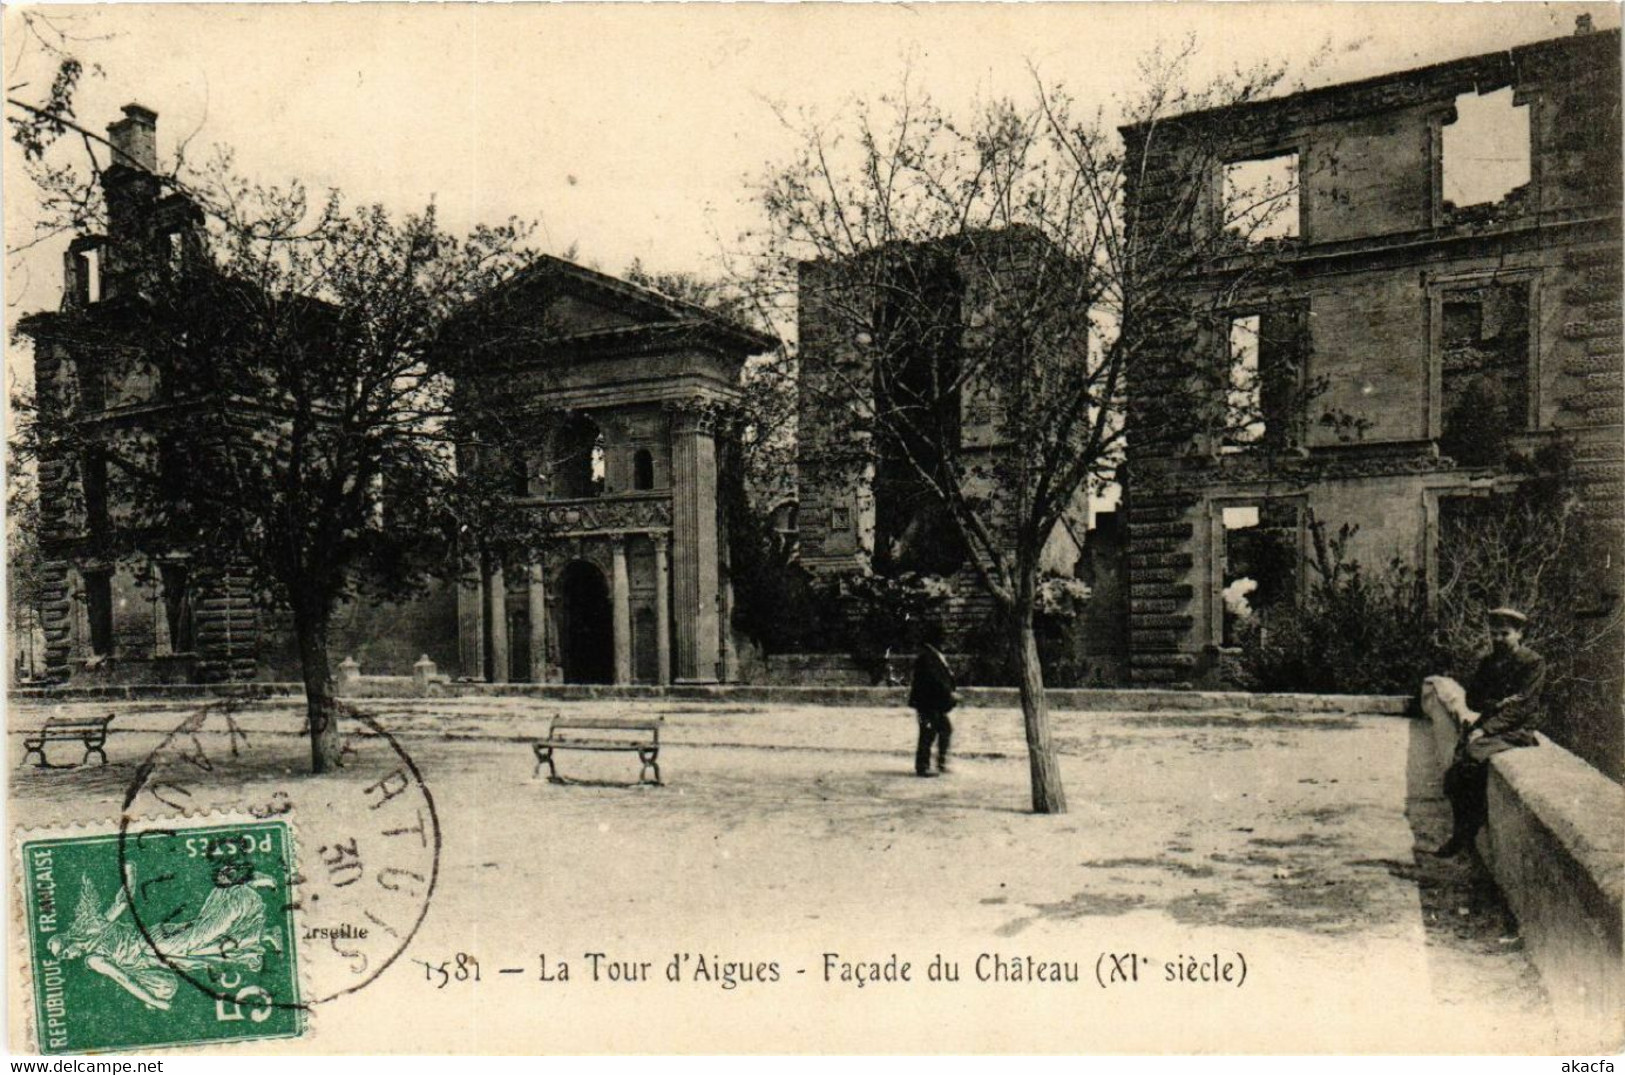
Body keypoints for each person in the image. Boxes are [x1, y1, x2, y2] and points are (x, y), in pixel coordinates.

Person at [1433, 607, 1545, 857]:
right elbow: (1473, 700)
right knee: (1455, 772)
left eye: (1504, 634)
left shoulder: (1532, 663)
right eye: (1493, 634)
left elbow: (1522, 707)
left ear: (1519, 633)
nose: (1497, 640)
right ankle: (1463, 830)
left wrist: (1485, 727)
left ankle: (1466, 831)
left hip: (1516, 730)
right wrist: (1497, 703)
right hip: (1491, 725)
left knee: (1471, 759)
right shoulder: (1489, 662)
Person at [907, 628, 957, 777]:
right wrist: (949, 693)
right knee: (927, 733)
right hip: (927, 704)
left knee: (945, 729)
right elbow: (935, 680)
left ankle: (940, 762)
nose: (946, 643)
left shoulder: (933, 655)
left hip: (934, 704)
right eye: (944, 639)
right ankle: (922, 767)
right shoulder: (927, 657)